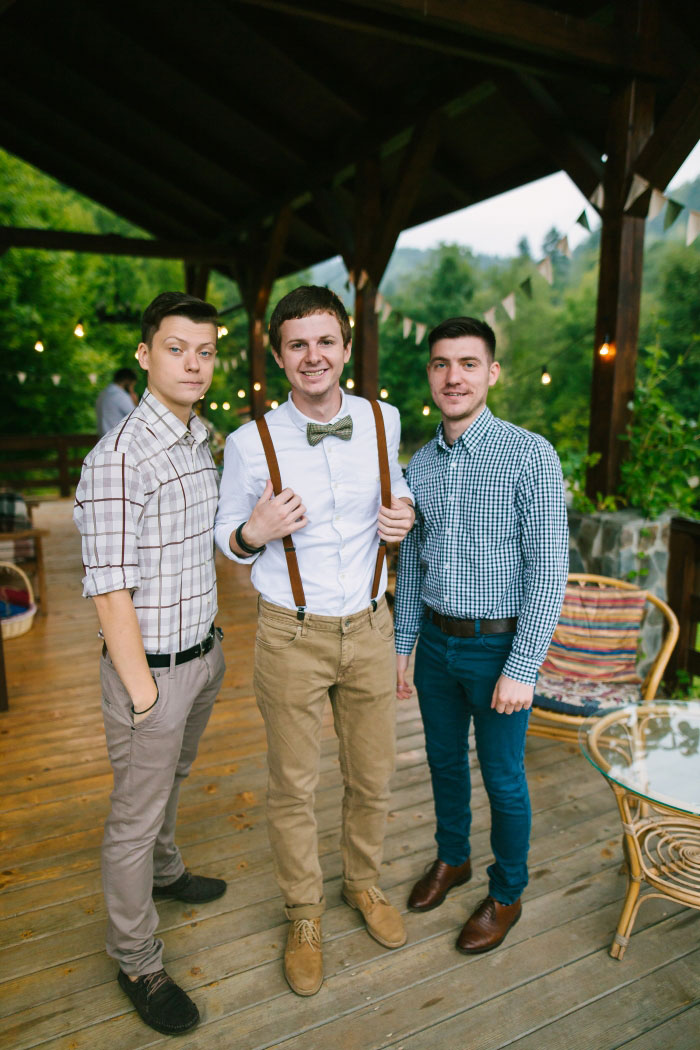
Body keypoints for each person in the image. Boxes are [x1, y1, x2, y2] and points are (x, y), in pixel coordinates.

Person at [215, 285, 415, 996]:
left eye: (325, 341)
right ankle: (303, 913)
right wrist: (252, 533)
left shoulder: (383, 420)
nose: (313, 356)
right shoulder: (248, 441)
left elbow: (400, 495)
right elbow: (227, 538)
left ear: (347, 348)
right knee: (293, 786)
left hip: (369, 625)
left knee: (375, 775)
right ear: (277, 354)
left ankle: (362, 883)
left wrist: (407, 514)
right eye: (297, 344)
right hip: (289, 634)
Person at [74, 292, 227, 1036]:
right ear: (145, 356)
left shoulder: (201, 437)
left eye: (204, 349)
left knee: (175, 777)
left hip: (203, 654)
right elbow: (108, 589)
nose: (192, 362)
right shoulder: (119, 458)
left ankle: (169, 871)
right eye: (176, 348)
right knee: (131, 820)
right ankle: (137, 958)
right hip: (152, 674)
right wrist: (142, 695)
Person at [394, 316, 568, 955]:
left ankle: (507, 891)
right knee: (443, 762)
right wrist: (404, 644)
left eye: (468, 363)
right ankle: (453, 858)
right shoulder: (420, 463)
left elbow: (549, 569)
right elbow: (412, 560)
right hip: (436, 645)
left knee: (501, 775)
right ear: (430, 376)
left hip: (501, 647)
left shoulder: (530, 455)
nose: (454, 376)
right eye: (441, 364)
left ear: (492, 372)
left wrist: (522, 667)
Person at [95, 367, 139, 436]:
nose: (132, 388)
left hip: (103, 439)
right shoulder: (120, 396)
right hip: (117, 440)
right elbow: (138, 418)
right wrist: (135, 402)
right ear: (128, 381)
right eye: (132, 385)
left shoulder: (103, 394)